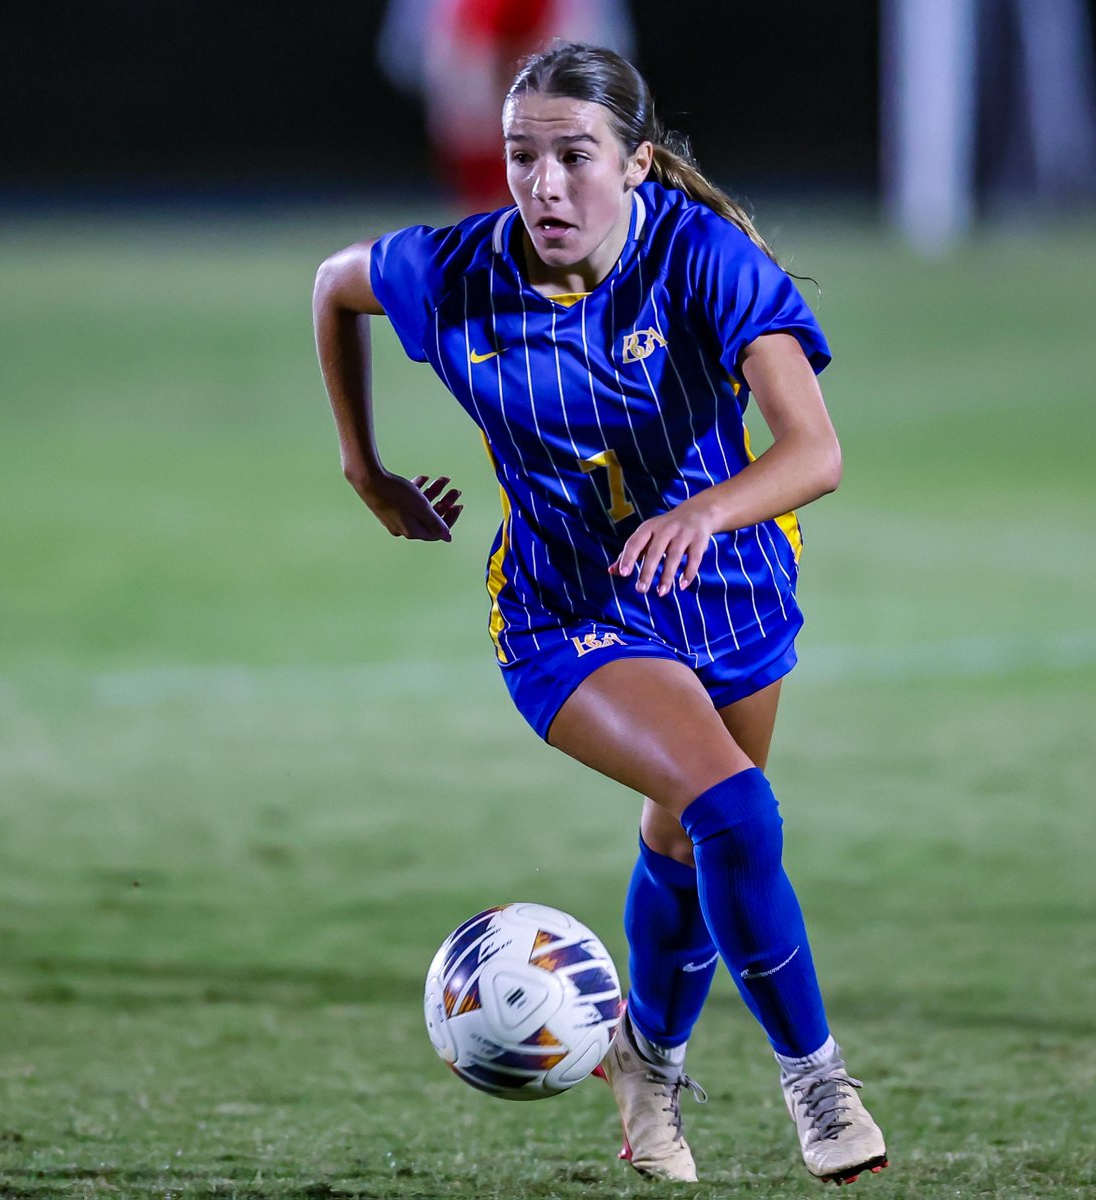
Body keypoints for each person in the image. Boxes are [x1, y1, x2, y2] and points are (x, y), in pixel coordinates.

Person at [313, 41, 888, 1187]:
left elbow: (814, 452)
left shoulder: (700, 257)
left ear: (637, 163)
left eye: (575, 156)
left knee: (685, 837)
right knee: (735, 810)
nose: (544, 185)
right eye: (521, 156)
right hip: (566, 612)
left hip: (730, 590)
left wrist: (705, 514)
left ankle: (647, 1064)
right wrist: (363, 470)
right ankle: (818, 1082)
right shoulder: (457, 273)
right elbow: (336, 285)